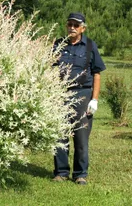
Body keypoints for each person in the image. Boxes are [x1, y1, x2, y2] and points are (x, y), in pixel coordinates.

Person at [52, 12, 106, 185]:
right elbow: (48, 69)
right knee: (59, 135)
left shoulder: (90, 46)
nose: (72, 28)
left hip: (83, 94)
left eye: (76, 25)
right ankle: (61, 172)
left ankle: (80, 174)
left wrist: (94, 99)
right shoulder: (58, 45)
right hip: (60, 94)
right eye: (70, 24)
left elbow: (97, 73)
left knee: (81, 137)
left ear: (83, 28)